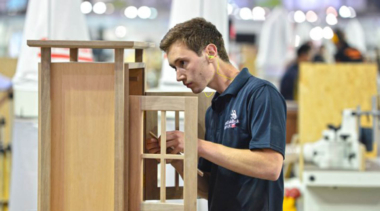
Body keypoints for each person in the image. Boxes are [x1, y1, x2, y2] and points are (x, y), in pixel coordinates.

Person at [146, 18, 286, 211]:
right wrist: (178, 160)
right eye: (174, 67)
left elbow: (271, 167)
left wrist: (196, 144)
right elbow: (207, 190)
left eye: (183, 63)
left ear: (210, 52)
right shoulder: (214, 110)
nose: (178, 75)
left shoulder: (260, 94)